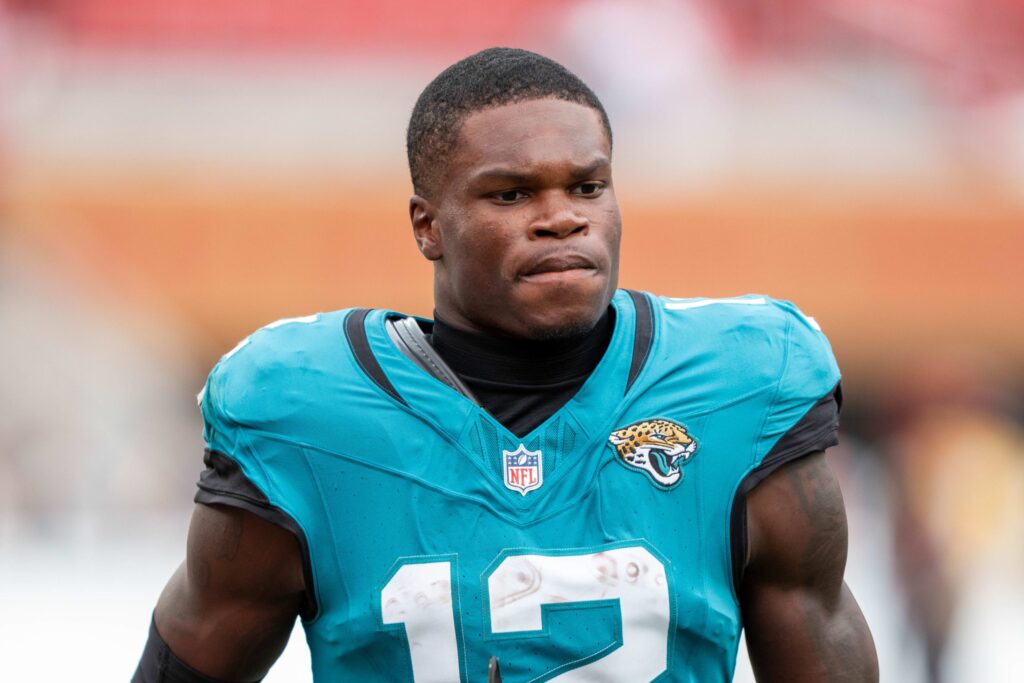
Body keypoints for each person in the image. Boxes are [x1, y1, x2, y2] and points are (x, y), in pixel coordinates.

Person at [134, 47, 878, 682]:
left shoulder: (743, 382)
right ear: (428, 225)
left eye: (587, 186)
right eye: (512, 193)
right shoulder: (303, 410)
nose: (562, 218)